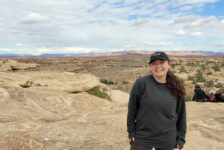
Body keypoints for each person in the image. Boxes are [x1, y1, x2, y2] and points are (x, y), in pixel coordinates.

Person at [127, 51, 186, 150]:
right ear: (150, 66)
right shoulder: (141, 83)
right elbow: (132, 109)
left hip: (167, 138)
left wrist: (180, 140)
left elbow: (181, 115)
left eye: (162, 63)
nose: (158, 66)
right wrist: (131, 132)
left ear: (168, 64)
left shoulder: (177, 87)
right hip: (143, 136)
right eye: (154, 63)